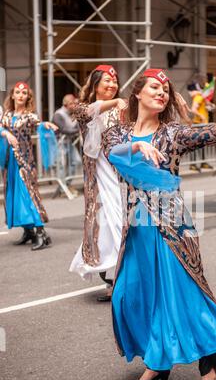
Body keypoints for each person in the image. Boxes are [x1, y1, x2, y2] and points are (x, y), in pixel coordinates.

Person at [102, 68, 216, 380]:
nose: (161, 92)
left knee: (185, 299)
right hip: (136, 228)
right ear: (138, 94)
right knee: (131, 296)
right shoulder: (118, 132)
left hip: (172, 225)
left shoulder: (172, 133)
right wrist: (134, 145)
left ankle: (211, 375)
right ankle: (159, 362)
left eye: (165, 88)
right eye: (154, 87)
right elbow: (111, 151)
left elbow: (207, 131)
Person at [69, 65, 127, 301]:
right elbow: (85, 112)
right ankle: (112, 277)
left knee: (120, 223)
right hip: (97, 179)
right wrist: (116, 103)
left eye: (114, 81)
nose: (112, 85)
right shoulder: (83, 107)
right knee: (101, 226)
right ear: (95, 84)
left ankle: (120, 279)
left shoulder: (121, 110)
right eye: (107, 81)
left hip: (119, 176)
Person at [0, 81, 57, 250]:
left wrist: (46, 125)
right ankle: (29, 232)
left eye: (24, 93)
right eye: (17, 92)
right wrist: (5, 133)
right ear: (12, 95)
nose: (20, 95)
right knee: (13, 196)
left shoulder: (30, 116)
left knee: (29, 196)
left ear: (28, 97)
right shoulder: (7, 115)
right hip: (9, 162)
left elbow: (39, 125)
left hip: (25, 162)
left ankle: (41, 233)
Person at [52, 94, 80, 194]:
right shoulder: (58, 114)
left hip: (68, 142)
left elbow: (75, 126)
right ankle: (62, 187)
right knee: (61, 165)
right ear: (66, 104)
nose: (74, 105)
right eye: (72, 103)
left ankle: (66, 184)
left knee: (75, 161)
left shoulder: (70, 114)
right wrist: (78, 130)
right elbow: (64, 129)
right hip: (59, 143)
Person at [188, 74, 214, 170]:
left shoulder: (203, 98)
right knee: (195, 145)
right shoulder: (198, 97)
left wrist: (210, 106)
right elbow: (193, 109)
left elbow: (206, 106)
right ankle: (193, 164)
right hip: (198, 124)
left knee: (202, 145)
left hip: (203, 124)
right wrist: (201, 116)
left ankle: (203, 163)